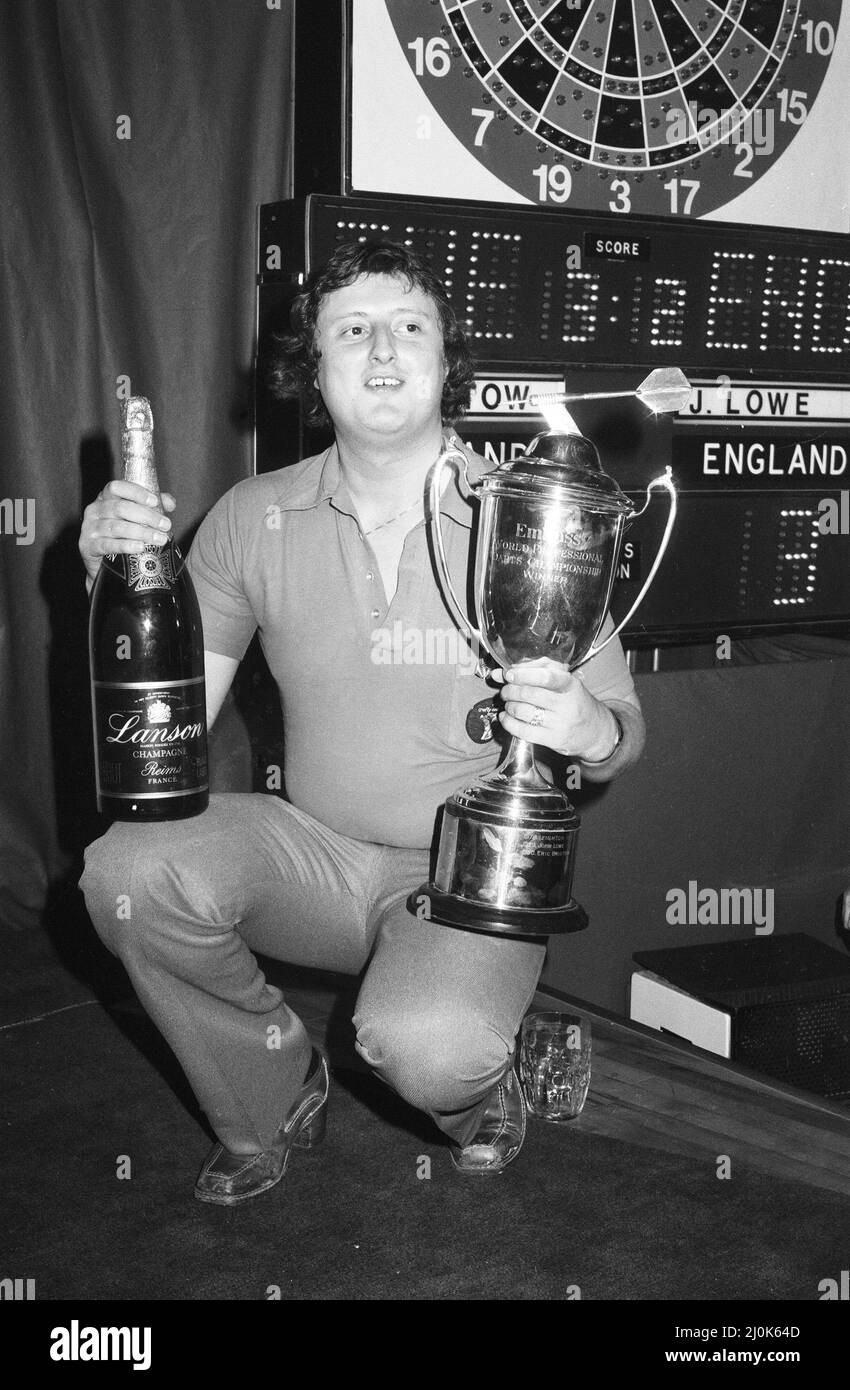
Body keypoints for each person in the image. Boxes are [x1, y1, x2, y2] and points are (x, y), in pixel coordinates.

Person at [78, 241, 645, 1204]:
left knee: (429, 1050)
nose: (383, 349)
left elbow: (622, 733)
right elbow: (172, 721)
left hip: (465, 878)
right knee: (128, 872)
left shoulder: (531, 512)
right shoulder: (250, 517)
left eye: (410, 326)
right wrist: (116, 577)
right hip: (309, 854)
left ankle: (479, 1088)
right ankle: (272, 1088)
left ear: (444, 362)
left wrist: (590, 727)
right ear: (315, 367)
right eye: (352, 329)